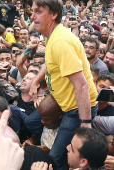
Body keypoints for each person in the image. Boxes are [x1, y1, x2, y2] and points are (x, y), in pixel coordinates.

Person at [27, 0, 98, 169]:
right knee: (31, 122)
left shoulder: (60, 42)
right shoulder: (52, 36)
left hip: (75, 110)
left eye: (38, 11)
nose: (32, 16)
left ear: (53, 14)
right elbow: (50, 64)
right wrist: (35, 81)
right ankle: (51, 142)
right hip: (62, 102)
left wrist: (85, 123)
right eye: (32, 11)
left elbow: (81, 85)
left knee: (56, 158)